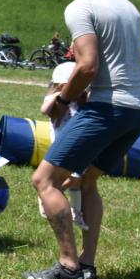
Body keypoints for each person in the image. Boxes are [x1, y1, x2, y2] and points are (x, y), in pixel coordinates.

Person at [26, 0, 140, 279]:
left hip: (109, 108)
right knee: (86, 181)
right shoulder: (125, 4)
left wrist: (63, 100)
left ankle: (68, 266)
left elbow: (87, 65)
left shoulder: (81, 6)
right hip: (139, 110)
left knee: (44, 180)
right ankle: (87, 264)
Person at [39, 61, 87, 230]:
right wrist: (58, 95)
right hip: (62, 146)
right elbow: (44, 110)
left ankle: (76, 211)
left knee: (77, 180)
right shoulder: (55, 100)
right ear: (62, 85)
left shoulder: (80, 101)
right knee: (74, 177)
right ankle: (47, 194)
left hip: (79, 146)